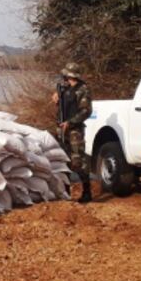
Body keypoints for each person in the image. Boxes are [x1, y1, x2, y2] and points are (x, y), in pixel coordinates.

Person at [53, 62, 93, 203]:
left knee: (78, 161)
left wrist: (70, 123)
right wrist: (56, 99)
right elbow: (62, 108)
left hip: (74, 130)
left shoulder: (83, 89)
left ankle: (87, 191)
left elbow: (86, 111)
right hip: (62, 129)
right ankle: (65, 193)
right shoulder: (64, 88)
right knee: (64, 160)